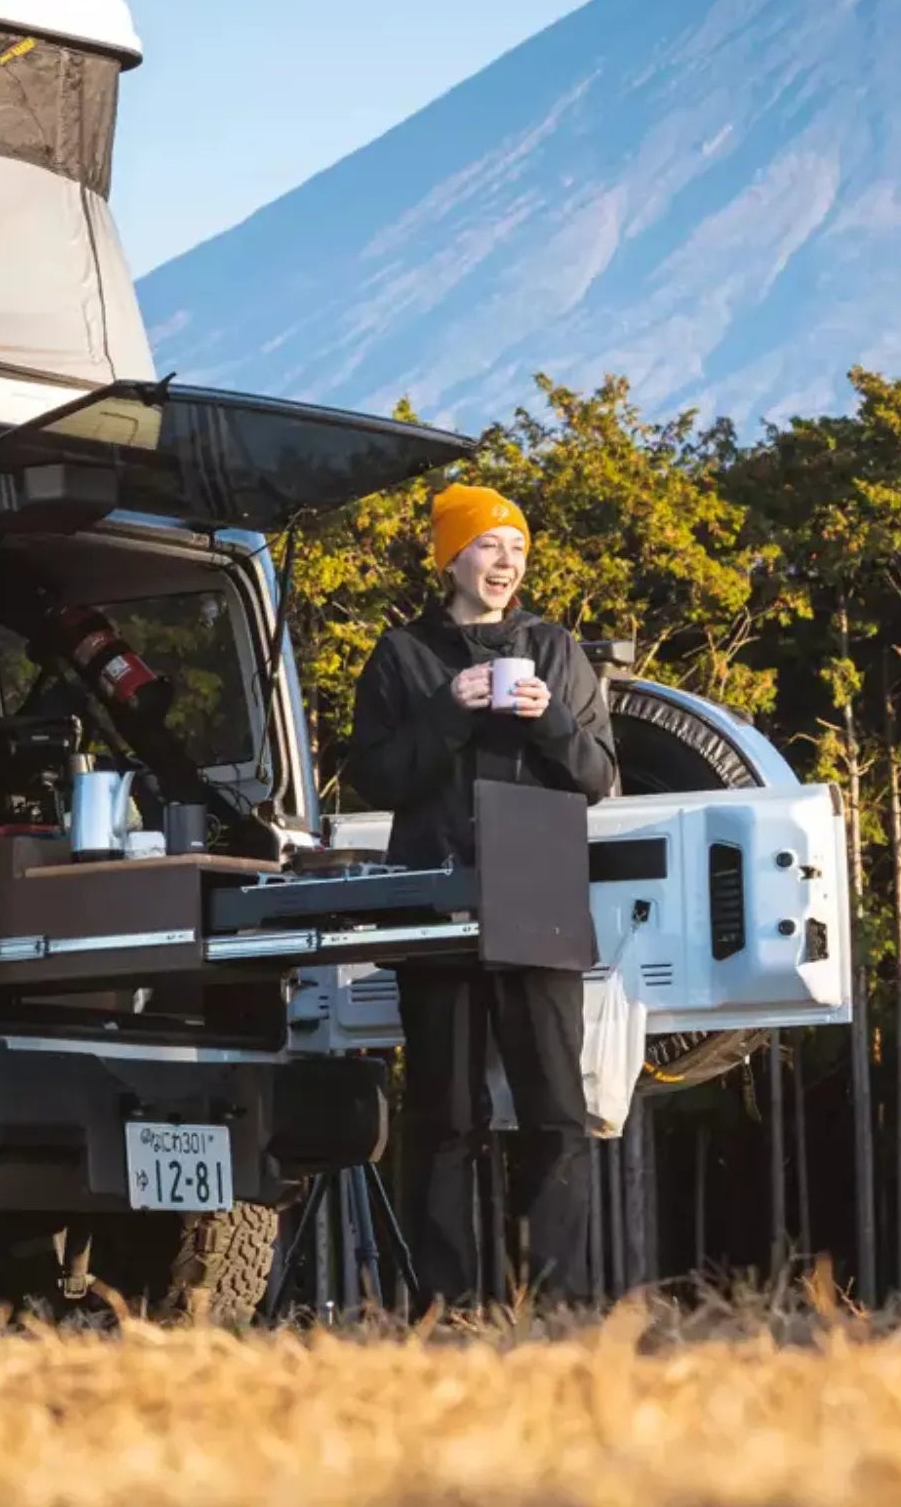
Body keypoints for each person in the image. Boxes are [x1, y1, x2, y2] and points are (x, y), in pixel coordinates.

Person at [343, 483, 617, 1306]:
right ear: (451, 556)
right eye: (490, 546)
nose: (506, 563)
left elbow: (600, 776)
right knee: (442, 1114)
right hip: (436, 892)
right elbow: (372, 779)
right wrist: (447, 711)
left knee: (557, 1111)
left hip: (539, 889)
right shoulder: (403, 655)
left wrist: (550, 722)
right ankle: (445, 1306)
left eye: (518, 550)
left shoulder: (557, 649)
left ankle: (550, 1300)